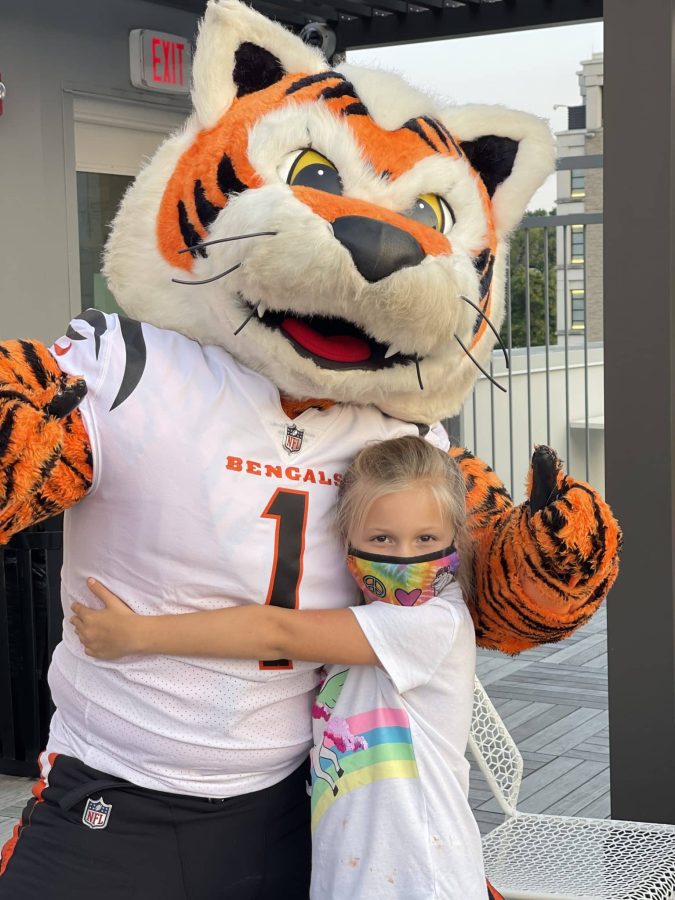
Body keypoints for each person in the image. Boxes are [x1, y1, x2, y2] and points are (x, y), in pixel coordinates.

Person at [72, 436, 492, 899]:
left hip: (420, 876)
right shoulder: (368, 613)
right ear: (346, 537)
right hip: (357, 872)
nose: (404, 557)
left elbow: (276, 632)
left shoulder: (432, 622)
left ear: (456, 536)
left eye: (426, 539)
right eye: (381, 538)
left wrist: (136, 635)